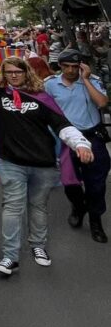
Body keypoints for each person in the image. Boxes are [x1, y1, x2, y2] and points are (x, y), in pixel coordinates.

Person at [0, 49, 93, 275]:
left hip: (43, 164)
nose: (14, 75)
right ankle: (10, 256)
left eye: (18, 71)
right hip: (10, 162)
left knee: (37, 207)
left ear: (26, 72)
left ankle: (38, 246)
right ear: (4, 73)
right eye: (9, 72)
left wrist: (81, 144)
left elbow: (62, 124)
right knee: (12, 207)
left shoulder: (42, 97)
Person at [44, 49, 110, 243]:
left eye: (75, 66)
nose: (71, 70)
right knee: (70, 182)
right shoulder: (50, 84)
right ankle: (78, 207)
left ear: (81, 66)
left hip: (92, 137)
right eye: (66, 66)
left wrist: (86, 80)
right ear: (60, 66)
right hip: (64, 140)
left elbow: (102, 102)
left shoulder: (92, 81)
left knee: (96, 184)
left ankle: (95, 221)